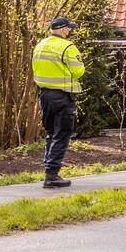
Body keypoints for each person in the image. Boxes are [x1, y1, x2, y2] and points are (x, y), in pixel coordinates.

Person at [31, 17, 85, 189]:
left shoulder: (39, 46)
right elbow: (78, 71)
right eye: (68, 28)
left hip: (44, 95)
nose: (69, 31)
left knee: (50, 133)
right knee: (62, 134)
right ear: (62, 29)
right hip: (62, 97)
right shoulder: (67, 47)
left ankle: (49, 171)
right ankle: (51, 175)